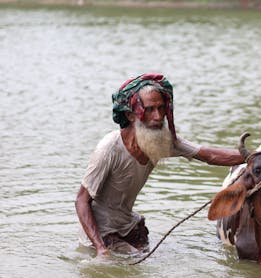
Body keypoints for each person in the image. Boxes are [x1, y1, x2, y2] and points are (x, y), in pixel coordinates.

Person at [75, 73, 245, 257]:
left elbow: (209, 155)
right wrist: (100, 248)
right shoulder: (109, 148)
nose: (157, 116)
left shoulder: (161, 141)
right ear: (130, 115)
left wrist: (256, 155)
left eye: (161, 108)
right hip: (101, 236)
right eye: (149, 109)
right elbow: (81, 201)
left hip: (129, 226)